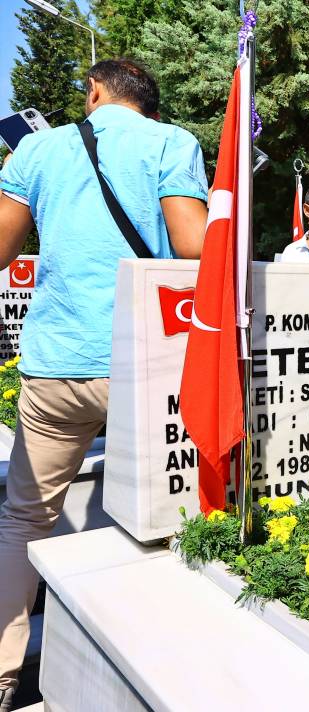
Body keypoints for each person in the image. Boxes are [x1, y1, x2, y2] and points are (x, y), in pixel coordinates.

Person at [0, 58, 208, 708]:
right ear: (147, 102)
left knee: (24, 517)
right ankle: (166, 666)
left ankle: (2, 678)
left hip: (55, 364)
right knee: (171, 517)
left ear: (93, 92)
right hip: (143, 363)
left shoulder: (36, 149)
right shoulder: (173, 143)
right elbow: (194, 248)